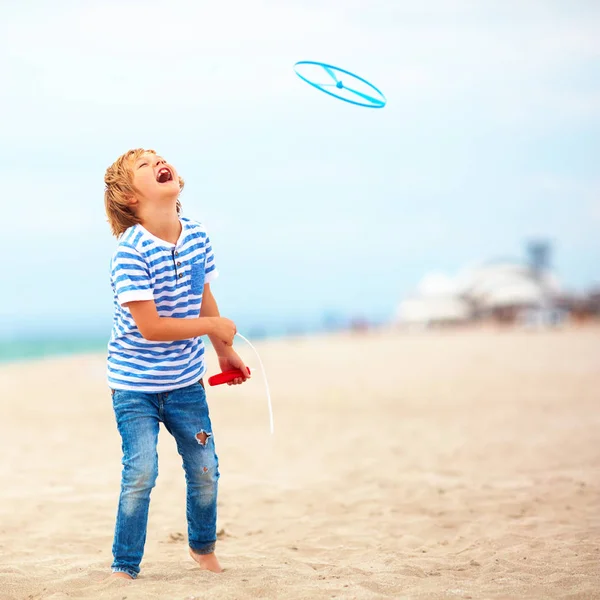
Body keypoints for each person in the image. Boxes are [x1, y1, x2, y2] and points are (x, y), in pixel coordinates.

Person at [103, 148, 249, 579]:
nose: (158, 163)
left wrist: (224, 350)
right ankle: (125, 564)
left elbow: (204, 297)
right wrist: (212, 323)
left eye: (159, 158)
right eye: (144, 166)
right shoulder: (130, 252)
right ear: (130, 197)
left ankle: (202, 548)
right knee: (141, 471)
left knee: (205, 468)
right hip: (134, 385)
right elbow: (150, 327)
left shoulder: (198, 236)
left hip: (185, 382)